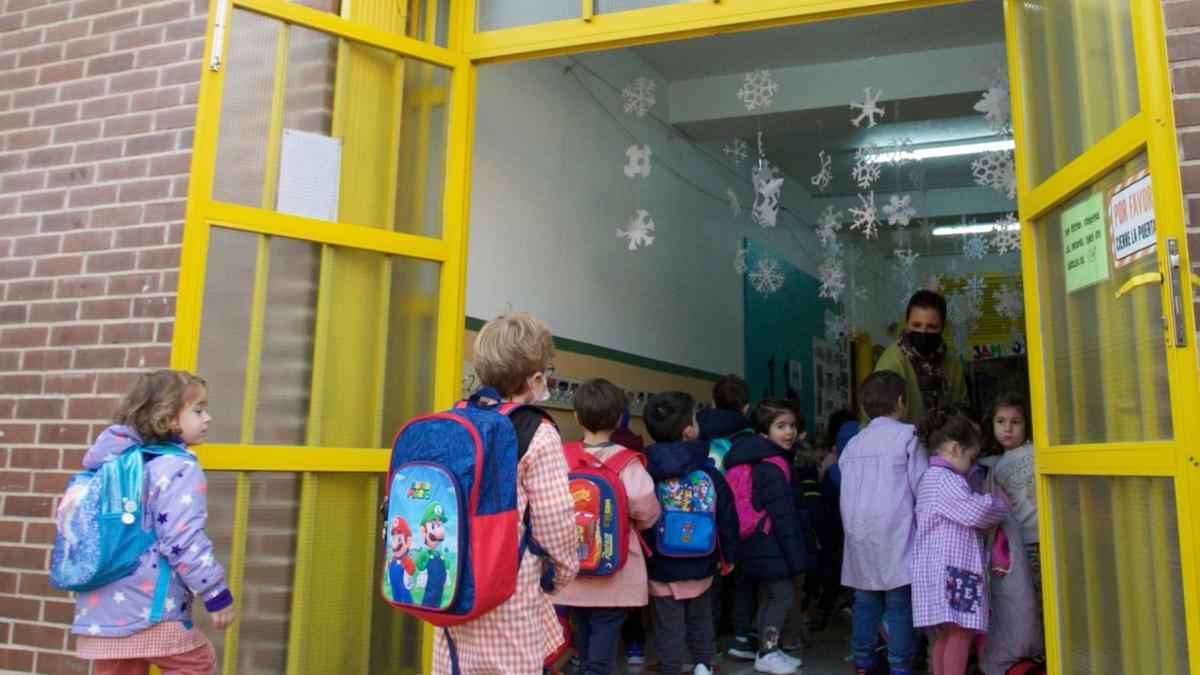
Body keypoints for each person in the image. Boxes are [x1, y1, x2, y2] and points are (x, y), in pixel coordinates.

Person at [434, 313, 579, 674]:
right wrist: (559, 576)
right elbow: (555, 522)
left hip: (450, 590)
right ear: (534, 379)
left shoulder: (453, 419)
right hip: (509, 593)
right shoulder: (537, 431)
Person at [68, 369, 235, 674]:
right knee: (196, 663)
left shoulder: (114, 462)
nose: (207, 418)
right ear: (167, 417)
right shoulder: (177, 467)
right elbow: (183, 539)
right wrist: (215, 592)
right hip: (151, 608)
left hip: (101, 609)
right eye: (198, 410)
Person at [557, 379, 661, 674]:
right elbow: (646, 509)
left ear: (576, 416)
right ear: (619, 419)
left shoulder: (562, 458)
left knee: (585, 629)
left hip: (573, 566)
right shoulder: (628, 463)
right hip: (614, 568)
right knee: (606, 629)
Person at [642, 391, 740, 675]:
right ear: (689, 431)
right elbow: (727, 518)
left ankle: (670, 667)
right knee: (701, 616)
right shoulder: (710, 473)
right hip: (702, 558)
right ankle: (702, 664)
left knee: (667, 624)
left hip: (661, 562)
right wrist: (729, 556)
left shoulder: (646, 471)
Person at [838, 371, 927, 675]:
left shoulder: (853, 444)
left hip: (859, 533)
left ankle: (862, 662)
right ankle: (899, 665)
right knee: (900, 603)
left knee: (865, 601)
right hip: (896, 530)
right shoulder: (909, 436)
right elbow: (921, 484)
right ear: (901, 402)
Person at [911, 407, 1010, 675]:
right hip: (954, 570)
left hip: (940, 570)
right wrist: (1000, 505)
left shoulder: (931, 478)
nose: (971, 465)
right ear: (955, 448)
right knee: (962, 632)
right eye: (971, 457)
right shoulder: (946, 480)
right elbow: (977, 511)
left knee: (949, 632)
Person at [724, 398, 815, 674]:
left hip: (757, 543)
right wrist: (798, 558)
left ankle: (768, 650)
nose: (788, 432)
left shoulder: (757, 458)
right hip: (772, 543)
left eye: (791, 425)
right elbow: (784, 516)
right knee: (783, 595)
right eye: (780, 426)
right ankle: (767, 651)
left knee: (771, 596)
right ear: (764, 432)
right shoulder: (773, 466)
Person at [874, 290, 968, 423]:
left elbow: (961, 413)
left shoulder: (952, 364)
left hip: (942, 440)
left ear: (942, 327)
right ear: (906, 324)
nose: (923, 332)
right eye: (916, 325)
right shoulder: (892, 361)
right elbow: (879, 420)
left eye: (932, 327)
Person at [985, 393, 1040, 606]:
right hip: (1025, 540)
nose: (1008, 429)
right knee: (1035, 593)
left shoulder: (1037, 450)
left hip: (1051, 533)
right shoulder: (995, 468)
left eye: (1015, 422)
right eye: (1001, 422)